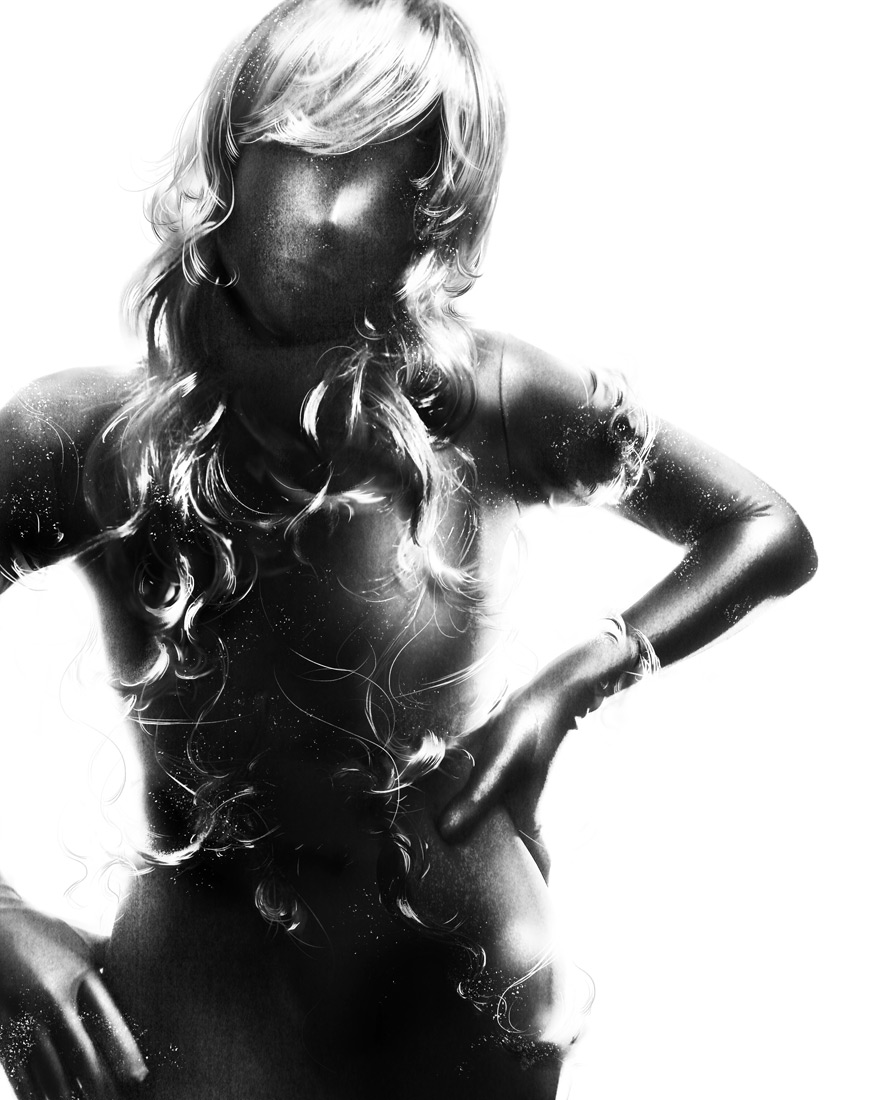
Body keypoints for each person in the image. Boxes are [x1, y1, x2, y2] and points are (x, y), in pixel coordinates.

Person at [0, 1, 817, 1097]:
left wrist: (564, 692)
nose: (336, 212)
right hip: (208, 998)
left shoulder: (484, 400)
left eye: (395, 170)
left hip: (461, 993)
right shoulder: (87, 437)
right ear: (229, 152)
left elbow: (765, 528)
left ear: (439, 210)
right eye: (311, 145)